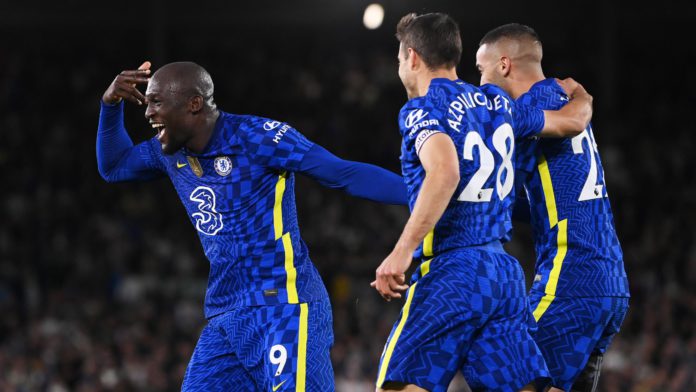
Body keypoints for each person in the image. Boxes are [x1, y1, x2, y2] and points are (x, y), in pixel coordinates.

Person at [96, 61, 408, 391]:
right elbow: (114, 167)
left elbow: (343, 174)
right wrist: (109, 104)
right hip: (226, 315)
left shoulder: (259, 138)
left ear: (194, 104)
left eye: (157, 102)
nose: (148, 113)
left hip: (284, 305)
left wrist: (422, 195)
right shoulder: (167, 151)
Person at [371, 13, 594, 392]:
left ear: (412, 57)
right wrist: (584, 96)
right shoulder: (496, 103)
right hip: (502, 277)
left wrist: (401, 252)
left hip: (452, 272)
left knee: (400, 385)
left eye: (398, 60)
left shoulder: (421, 110)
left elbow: (445, 172)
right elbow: (570, 122)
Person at [476, 24, 630, 392]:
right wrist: (583, 97)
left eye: (480, 70)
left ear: (503, 65)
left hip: (572, 277)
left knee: (513, 379)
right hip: (610, 280)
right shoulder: (560, 98)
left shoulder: (531, 108)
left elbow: (487, 185)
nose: (479, 82)